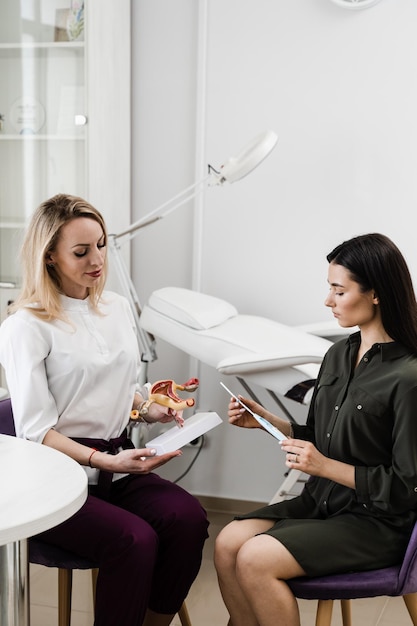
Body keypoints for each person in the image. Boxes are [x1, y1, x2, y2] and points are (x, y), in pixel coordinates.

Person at [0, 193, 209, 626]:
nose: (97, 259)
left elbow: (118, 387)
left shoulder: (113, 307)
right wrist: (104, 460)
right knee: (134, 541)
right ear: (50, 258)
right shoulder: (25, 327)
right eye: (81, 251)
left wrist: (147, 409)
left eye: (101, 244)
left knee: (189, 520)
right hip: (55, 477)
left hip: (116, 462)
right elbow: (36, 432)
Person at [214, 233, 417, 626]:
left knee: (255, 558)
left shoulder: (408, 377)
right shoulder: (338, 354)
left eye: (339, 291)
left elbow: (408, 486)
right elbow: (325, 437)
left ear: (375, 294)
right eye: (330, 288)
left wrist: (324, 467)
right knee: (226, 544)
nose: (328, 301)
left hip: (375, 522)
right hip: (321, 501)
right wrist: (270, 424)